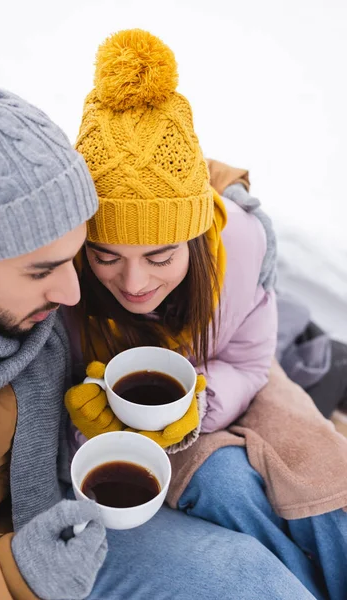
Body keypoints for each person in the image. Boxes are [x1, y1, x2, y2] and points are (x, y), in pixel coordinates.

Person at [0, 83, 317, 600]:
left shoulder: (23, 298)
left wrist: (230, 198)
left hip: (65, 509)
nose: (74, 293)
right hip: (1, 562)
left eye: (75, 257)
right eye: (43, 270)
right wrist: (8, 572)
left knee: (252, 567)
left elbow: (138, 166)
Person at [65, 29, 347, 600]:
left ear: (194, 240)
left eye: (160, 256)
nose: (134, 283)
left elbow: (248, 357)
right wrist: (89, 425)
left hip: (228, 387)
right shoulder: (61, 282)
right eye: (107, 255)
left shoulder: (239, 246)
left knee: (324, 474)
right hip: (124, 453)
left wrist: (200, 406)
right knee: (229, 487)